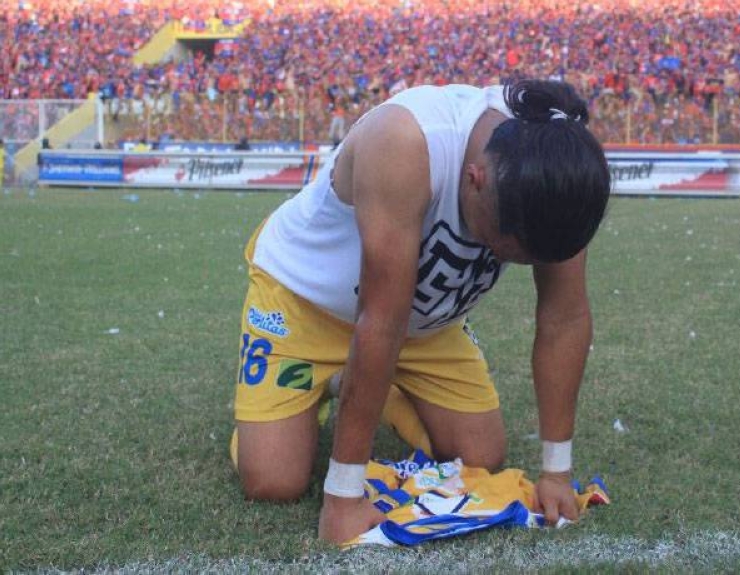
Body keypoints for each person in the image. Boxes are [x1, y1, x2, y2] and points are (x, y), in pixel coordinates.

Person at [230, 79, 611, 545]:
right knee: (274, 481)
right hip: (305, 300)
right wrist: (344, 496)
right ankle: (311, 393)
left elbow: (564, 317)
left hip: (424, 323)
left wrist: (557, 471)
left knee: (480, 456)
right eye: (501, 246)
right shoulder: (406, 140)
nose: (499, 259)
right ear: (475, 178)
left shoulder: (561, 174)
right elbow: (381, 318)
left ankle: (362, 384)